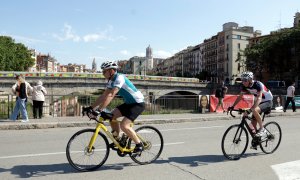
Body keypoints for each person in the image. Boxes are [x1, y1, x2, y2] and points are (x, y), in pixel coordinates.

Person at [88, 61, 145, 154]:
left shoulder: (119, 78)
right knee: (111, 116)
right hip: (128, 103)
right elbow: (104, 96)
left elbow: (111, 95)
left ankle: (139, 144)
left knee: (124, 125)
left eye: (104, 71)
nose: (102, 74)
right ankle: (118, 140)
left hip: (138, 103)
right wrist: (90, 107)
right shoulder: (111, 80)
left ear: (111, 71)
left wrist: (99, 110)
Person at [228, 72, 273, 142]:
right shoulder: (245, 86)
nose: (243, 82)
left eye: (245, 80)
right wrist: (232, 106)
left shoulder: (258, 85)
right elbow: (240, 97)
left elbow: (259, 98)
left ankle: (262, 129)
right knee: (252, 125)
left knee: (254, 110)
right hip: (259, 102)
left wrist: (250, 110)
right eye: (242, 80)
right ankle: (256, 140)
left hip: (267, 101)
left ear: (250, 80)